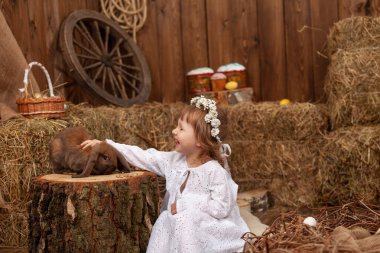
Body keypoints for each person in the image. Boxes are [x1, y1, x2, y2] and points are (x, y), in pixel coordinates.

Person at [81, 96, 249, 253]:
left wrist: (186, 207)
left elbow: (221, 208)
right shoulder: (174, 161)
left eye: (181, 129)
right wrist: (109, 146)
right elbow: (145, 156)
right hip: (176, 223)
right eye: (176, 126)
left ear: (200, 140)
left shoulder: (214, 171)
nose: (174, 131)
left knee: (184, 219)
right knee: (164, 220)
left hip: (206, 228)